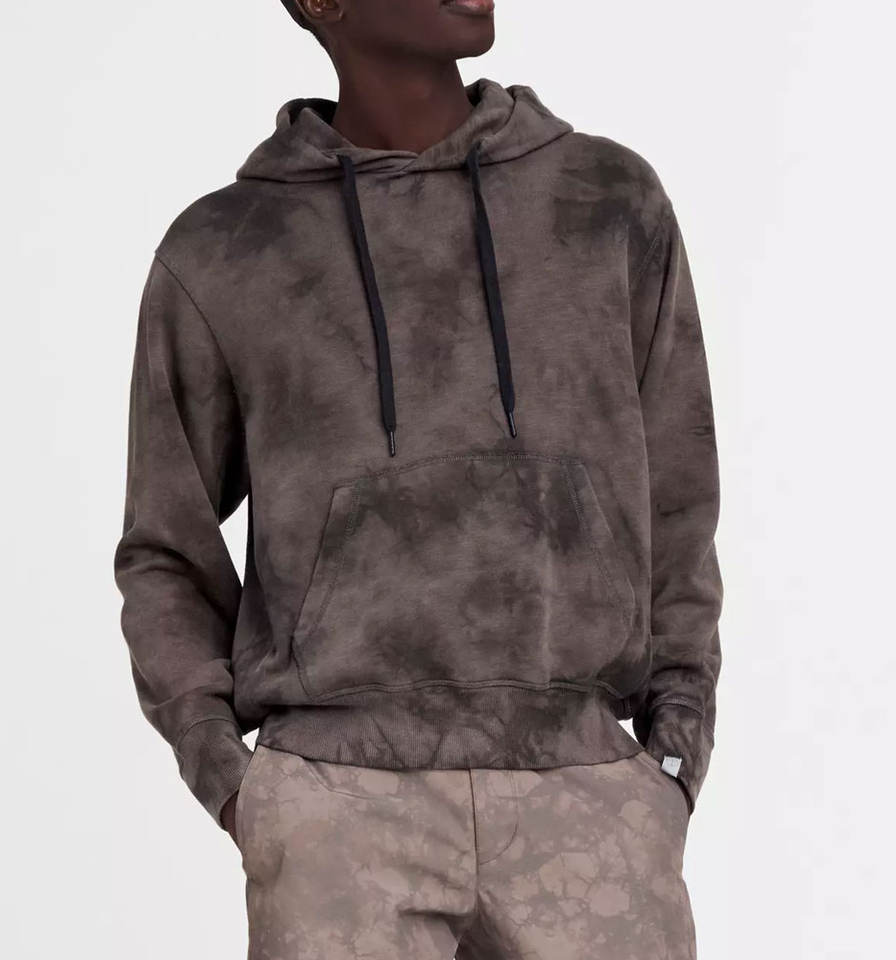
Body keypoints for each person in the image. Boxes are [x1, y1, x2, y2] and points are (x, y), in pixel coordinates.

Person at [114, 0, 723, 956]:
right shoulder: (226, 251)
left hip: (588, 795)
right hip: (338, 810)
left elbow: (679, 501)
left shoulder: (607, 201)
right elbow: (165, 550)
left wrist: (676, 748)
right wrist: (236, 783)